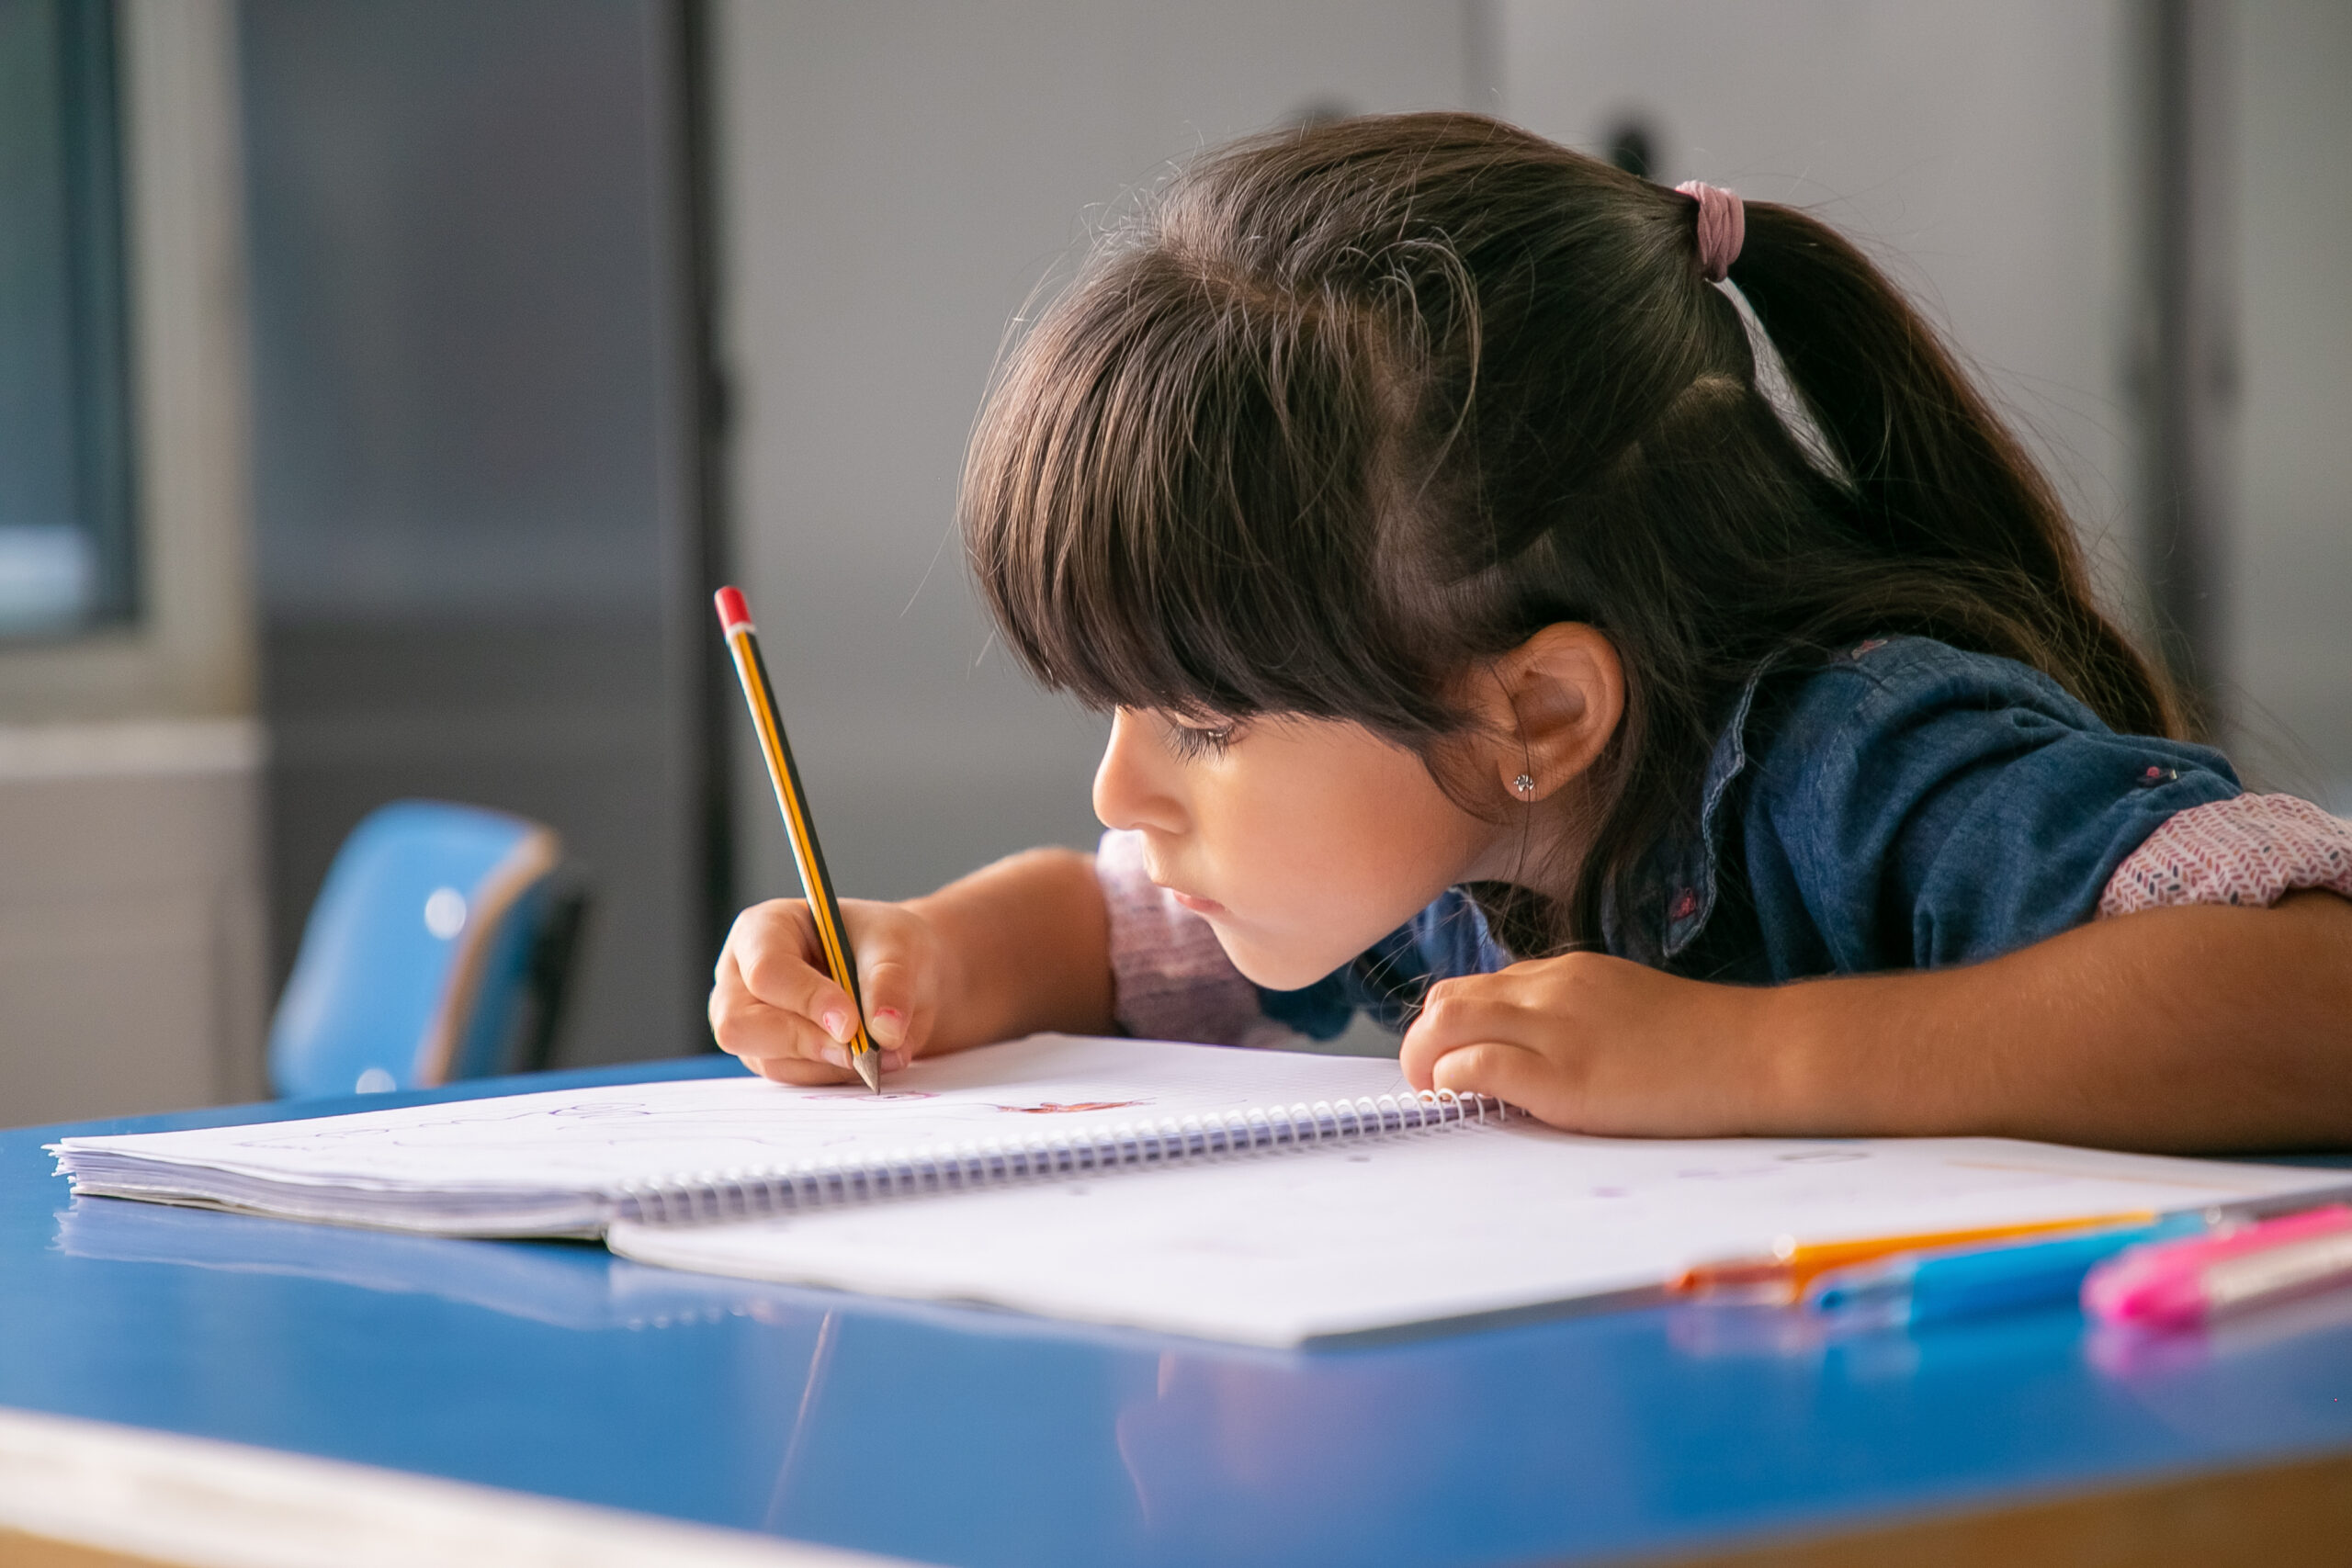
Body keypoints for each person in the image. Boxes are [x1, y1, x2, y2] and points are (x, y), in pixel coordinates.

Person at [711, 113, 2352, 1150]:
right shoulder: (1443, 831)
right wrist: (922, 959)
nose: (1120, 795)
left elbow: (2315, 995)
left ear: (1537, 713)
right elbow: (1118, 931)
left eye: (1204, 723)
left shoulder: (1864, 759)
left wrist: (1755, 1062)